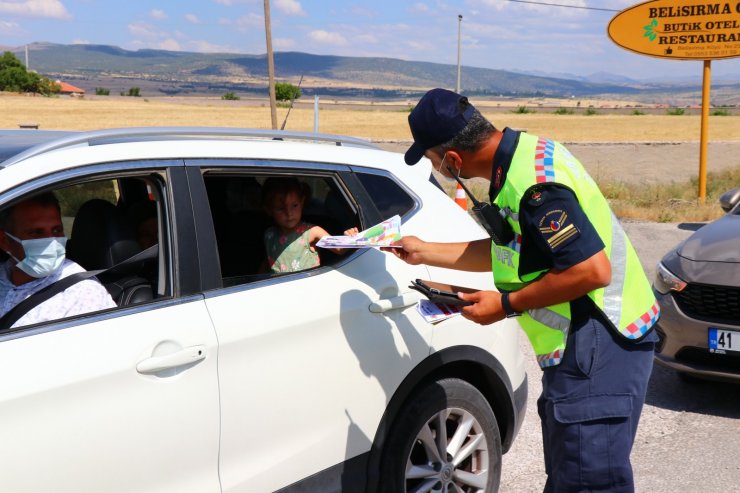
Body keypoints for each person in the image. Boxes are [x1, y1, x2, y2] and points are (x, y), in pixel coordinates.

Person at [390, 88, 659, 493]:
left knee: (587, 482)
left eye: (432, 160)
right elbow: (513, 250)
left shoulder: (532, 187)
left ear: (453, 160)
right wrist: (424, 250)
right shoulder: (523, 157)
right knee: (572, 475)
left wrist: (505, 304)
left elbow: (591, 270)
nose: (436, 168)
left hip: (599, 341)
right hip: (588, 345)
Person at [0, 193, 116, 328]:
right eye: (37, 232)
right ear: (4, 241)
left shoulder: (81, 293)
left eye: (57, 230)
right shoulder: (3, 275)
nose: (52, 242)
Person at [261, 177, 357, 273]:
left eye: (294, 205)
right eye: (281, 208)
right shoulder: (269, 235)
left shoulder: (311, 232)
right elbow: (269, 262)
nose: (289, 213)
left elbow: (340, 248)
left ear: (302, 202)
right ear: (268, 210)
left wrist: (350, 238)